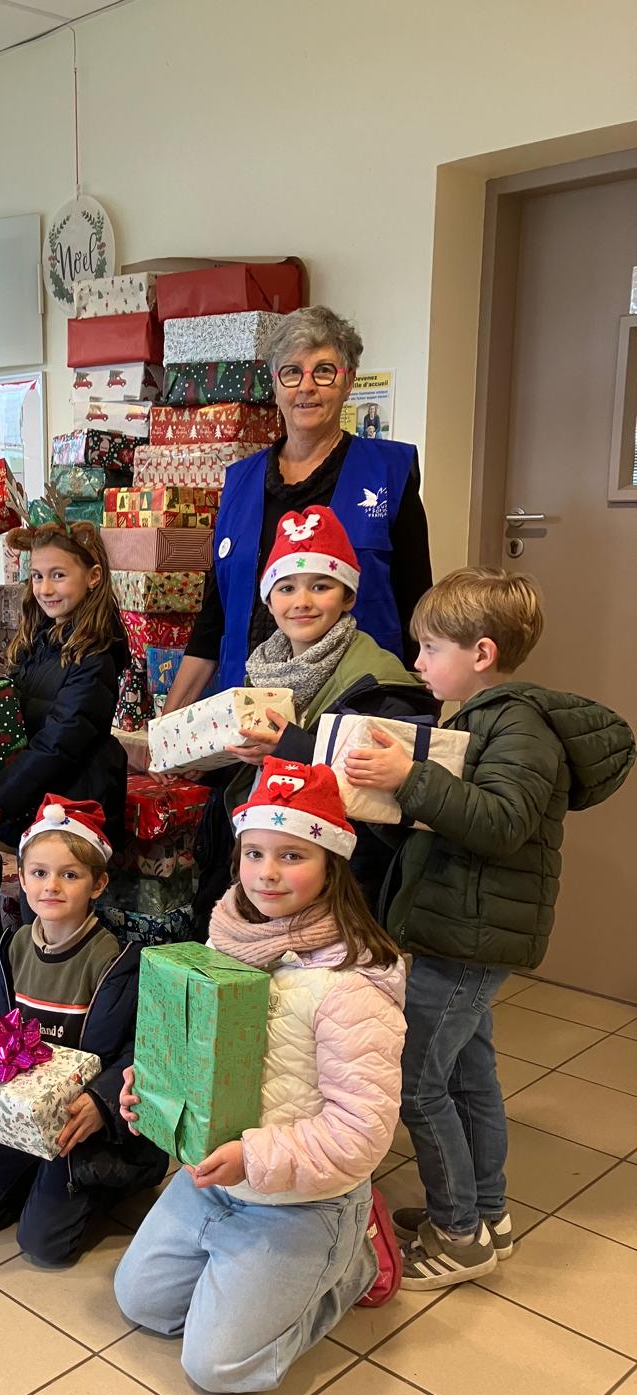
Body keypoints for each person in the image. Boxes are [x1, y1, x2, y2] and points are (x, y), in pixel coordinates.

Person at [344, 568, 634, 1288]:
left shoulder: (519, 726)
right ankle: (487, 1213)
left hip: (470, 938)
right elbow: (451, 825)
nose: (417, 662)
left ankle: (459, 1233)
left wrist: (408, 778)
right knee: (469, 1076)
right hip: (459, 928)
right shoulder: (479, 720)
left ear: (480, 653)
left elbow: (502, 824)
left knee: (417, 1083)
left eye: (430, 648)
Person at [113, 760, 404, 1393]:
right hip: (214, 1180)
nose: (267, 873)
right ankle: (250, 1277)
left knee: (218, 1366)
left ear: (332, 864)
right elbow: (197, 1053)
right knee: (142, 1303)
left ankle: (352, 1259)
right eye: (254, 854)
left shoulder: (350, 987)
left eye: (292, 855)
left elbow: (363, 1131)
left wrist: (252, 1156)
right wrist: (153, 1086)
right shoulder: (224, 943)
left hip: (304, 1198)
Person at [164, 305, 433, 932]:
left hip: (347, 718)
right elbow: (214, 614)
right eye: (292, 372)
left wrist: (425, 710)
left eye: (324, 370)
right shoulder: (239, 482)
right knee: (247, 888)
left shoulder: (388, 473)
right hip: (249, 723)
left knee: (334, 900)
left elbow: (419, 603)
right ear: (274, 383)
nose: (307, 387)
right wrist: (171, 725)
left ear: (348, 380)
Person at [0, 796, 168, 1264]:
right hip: (24, 1115)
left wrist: (102, 1103)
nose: (52, 886)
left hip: (82, 1125)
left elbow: (145, 1049)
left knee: (44, 1245)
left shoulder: (119, 961)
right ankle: (34, 1176)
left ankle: (119, 1179)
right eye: (40, 873)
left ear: (98, 884)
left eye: (70, 875)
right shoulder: (12, 948)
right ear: (21, 879)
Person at [192, 504, 434, 924]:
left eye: (321, 586)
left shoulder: (379, 682)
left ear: (348, 596)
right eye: (286, 588)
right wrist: (207, 762)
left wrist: (290, 747)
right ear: (269, 600)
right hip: (266, 871)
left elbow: (384, 798)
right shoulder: (261, 671)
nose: (301, 602)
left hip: (339, 887)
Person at [0, 522, 129, 852]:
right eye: (37, 576)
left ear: (93, 577)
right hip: (34, 800)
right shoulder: (40, 640)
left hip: (73, 808)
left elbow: (59, 742)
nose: (45, 588)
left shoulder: (94, 656)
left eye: (58, 575)